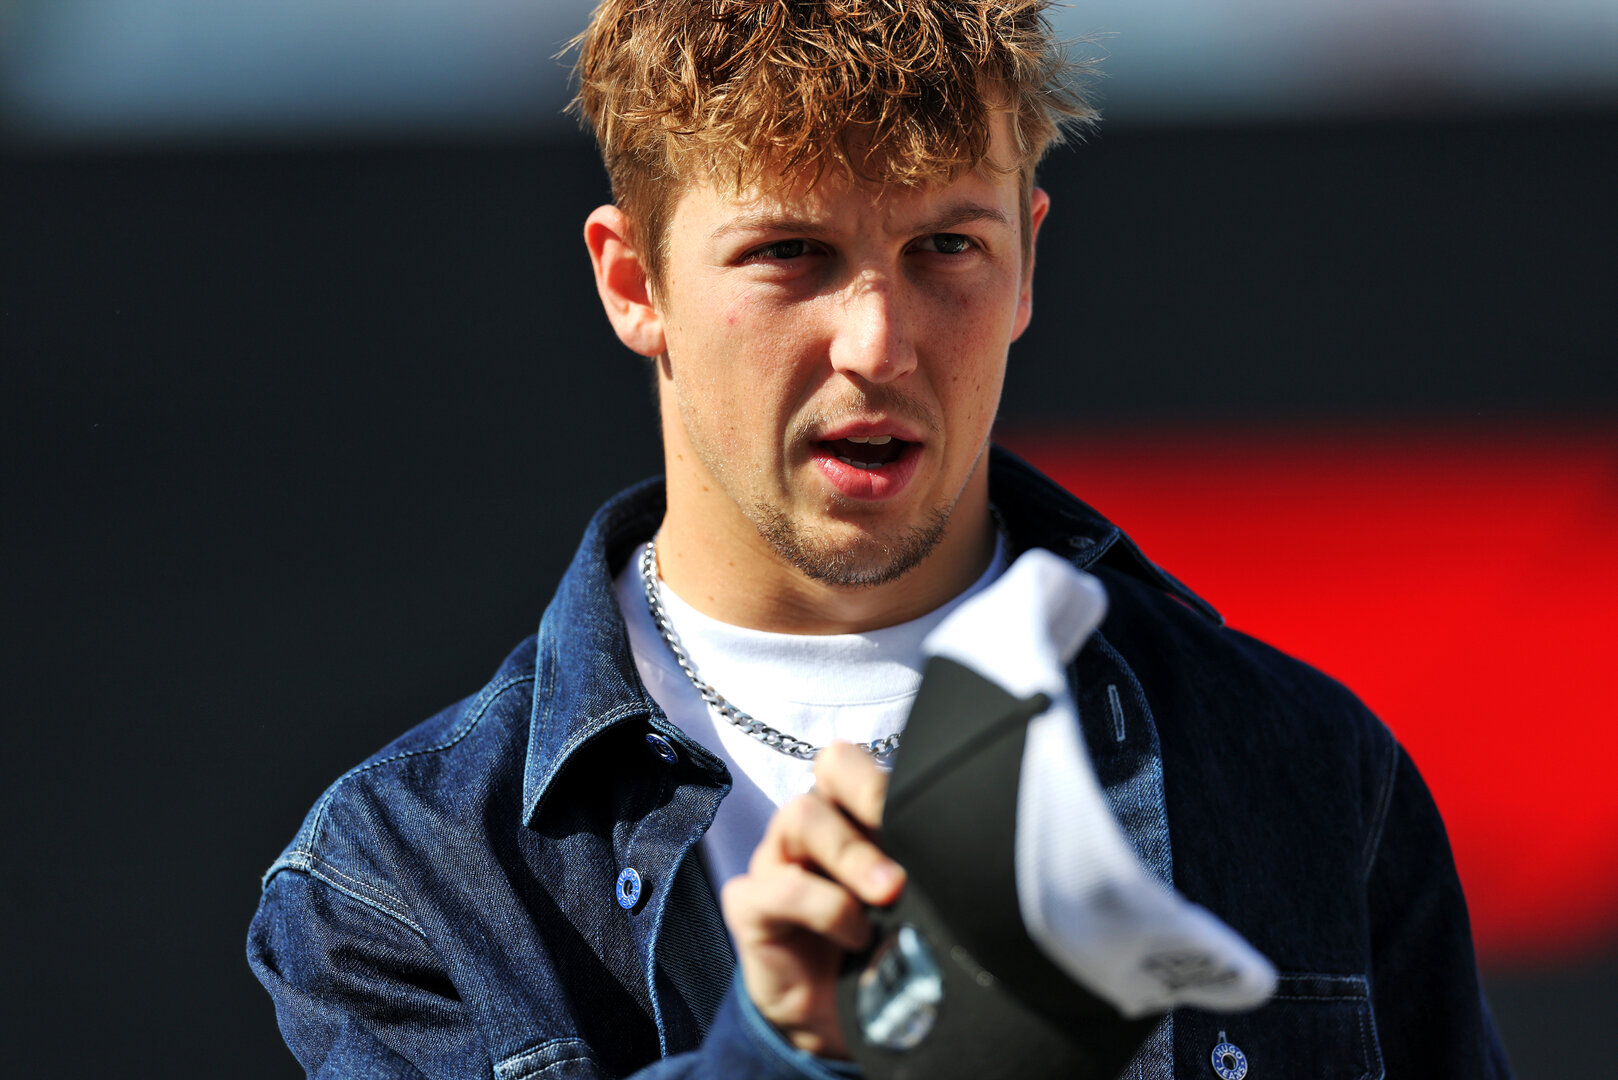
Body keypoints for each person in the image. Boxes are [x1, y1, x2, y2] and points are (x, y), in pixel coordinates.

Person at [248, 2, 1512, 1077]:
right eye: (791, 253)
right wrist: (783, 1046)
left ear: (1026, 265)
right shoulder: (401, 873)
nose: (878, 344)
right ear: (633, 283)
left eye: (944, 247)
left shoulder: (1297, 763)